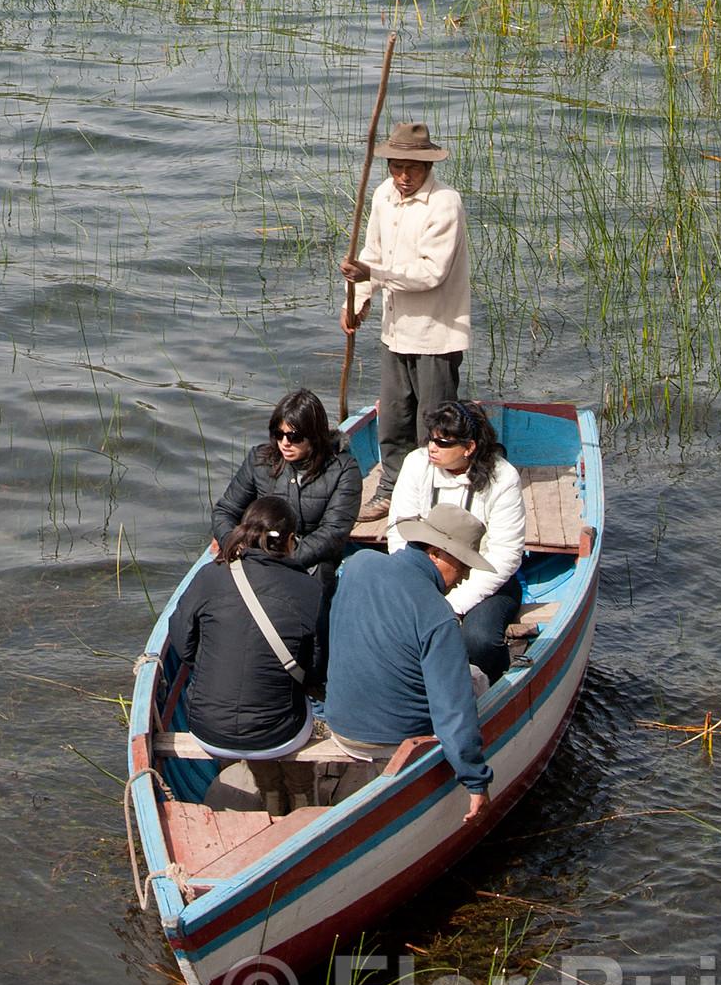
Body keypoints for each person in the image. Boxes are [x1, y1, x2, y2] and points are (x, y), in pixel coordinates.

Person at [319, 504, 495, 822]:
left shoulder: (357, 564)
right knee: (478, 678)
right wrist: (475, 780)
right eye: (464, 564)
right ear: (437, 553)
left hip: (339, 727)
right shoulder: (438, 615)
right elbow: (452, 709)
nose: (466, 575)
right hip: (394, 743)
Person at [338, 120, 470, 516]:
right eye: (397, 167)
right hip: (395, 331)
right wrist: (357, 300)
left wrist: (373, 275)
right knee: (393, 417)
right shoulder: (383, 195)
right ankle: (391, 488)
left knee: (434, 424)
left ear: (429, 167)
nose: (403, 176)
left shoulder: (445, 203)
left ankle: (433, 496)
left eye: (412, 169)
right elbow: (373, 253)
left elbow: (432, 273)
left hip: (436, 333)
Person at [168, 496, 327, 785]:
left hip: (206, 731)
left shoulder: (209, 576)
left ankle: (264, 784)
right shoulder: (310, 590)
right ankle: (293, 791)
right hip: (279, 737)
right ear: (291, 540)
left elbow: (181, 640)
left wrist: (208, 660)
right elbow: (316, 668)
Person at [386, 400, 526, 682]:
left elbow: (505, 555)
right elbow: (399, 529)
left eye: (443, 442)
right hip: (424, 574)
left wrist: (455, 604)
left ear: (469, 447)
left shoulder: (504, 479)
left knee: (478, 640)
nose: (432, 448)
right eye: (431, 439)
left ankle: (496, 683)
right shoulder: (416, 464)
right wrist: (417, 587)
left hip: (483, 578)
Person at [210, 389, 363, 602]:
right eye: (278, 434)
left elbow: (332, 534)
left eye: (294, 437)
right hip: (254, 554)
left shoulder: (343, 470)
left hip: (309, 562)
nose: (285, 443)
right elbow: (225, 511)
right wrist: (233, 544)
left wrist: (283, 560)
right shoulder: (260, 460)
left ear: (314, 436)